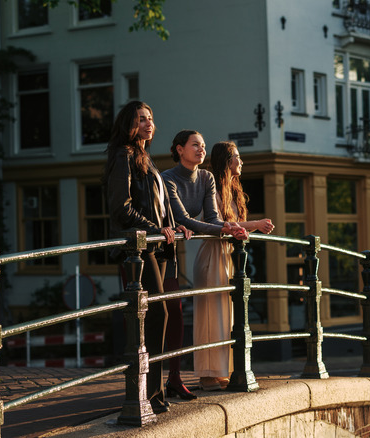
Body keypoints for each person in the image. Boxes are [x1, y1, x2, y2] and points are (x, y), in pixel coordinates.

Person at [102, 101, 191, 413]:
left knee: (153, 317)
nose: (148, 123)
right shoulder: (122, 155)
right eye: (141, 119)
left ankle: (152, 392)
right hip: (138, 248)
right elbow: (121, 208)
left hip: (156, 244)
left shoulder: (144, 157)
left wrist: (172, 226)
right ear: (129, 124)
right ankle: (148, 393)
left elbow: (156, 202)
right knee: (155, 316)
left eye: (151, 118)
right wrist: (156, 229)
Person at [160, 130, 248, 398]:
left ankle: (175, 379)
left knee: (176, 314)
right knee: (159, 315)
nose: (201, 149)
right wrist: (226, 229)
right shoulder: (167, 179)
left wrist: (229, 227)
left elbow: (210, 216)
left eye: (203, 145)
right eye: (194, 145)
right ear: (179, 150)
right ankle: (153, 383)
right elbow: (184, 218)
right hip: (157, 249)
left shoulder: (207, 177)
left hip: (176, 250)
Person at [193, 141, 274, 390]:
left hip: (227, 254)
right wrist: (256, 223)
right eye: (237, 157)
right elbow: (221, 222)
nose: (241, 162)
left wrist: (251, 225)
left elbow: (235, 223)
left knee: (226, 314)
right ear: (227, 160)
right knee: (211, 314)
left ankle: (221, 370)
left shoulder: (232, 190)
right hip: (212, 255)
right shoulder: (212, 187)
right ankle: (207, 375)